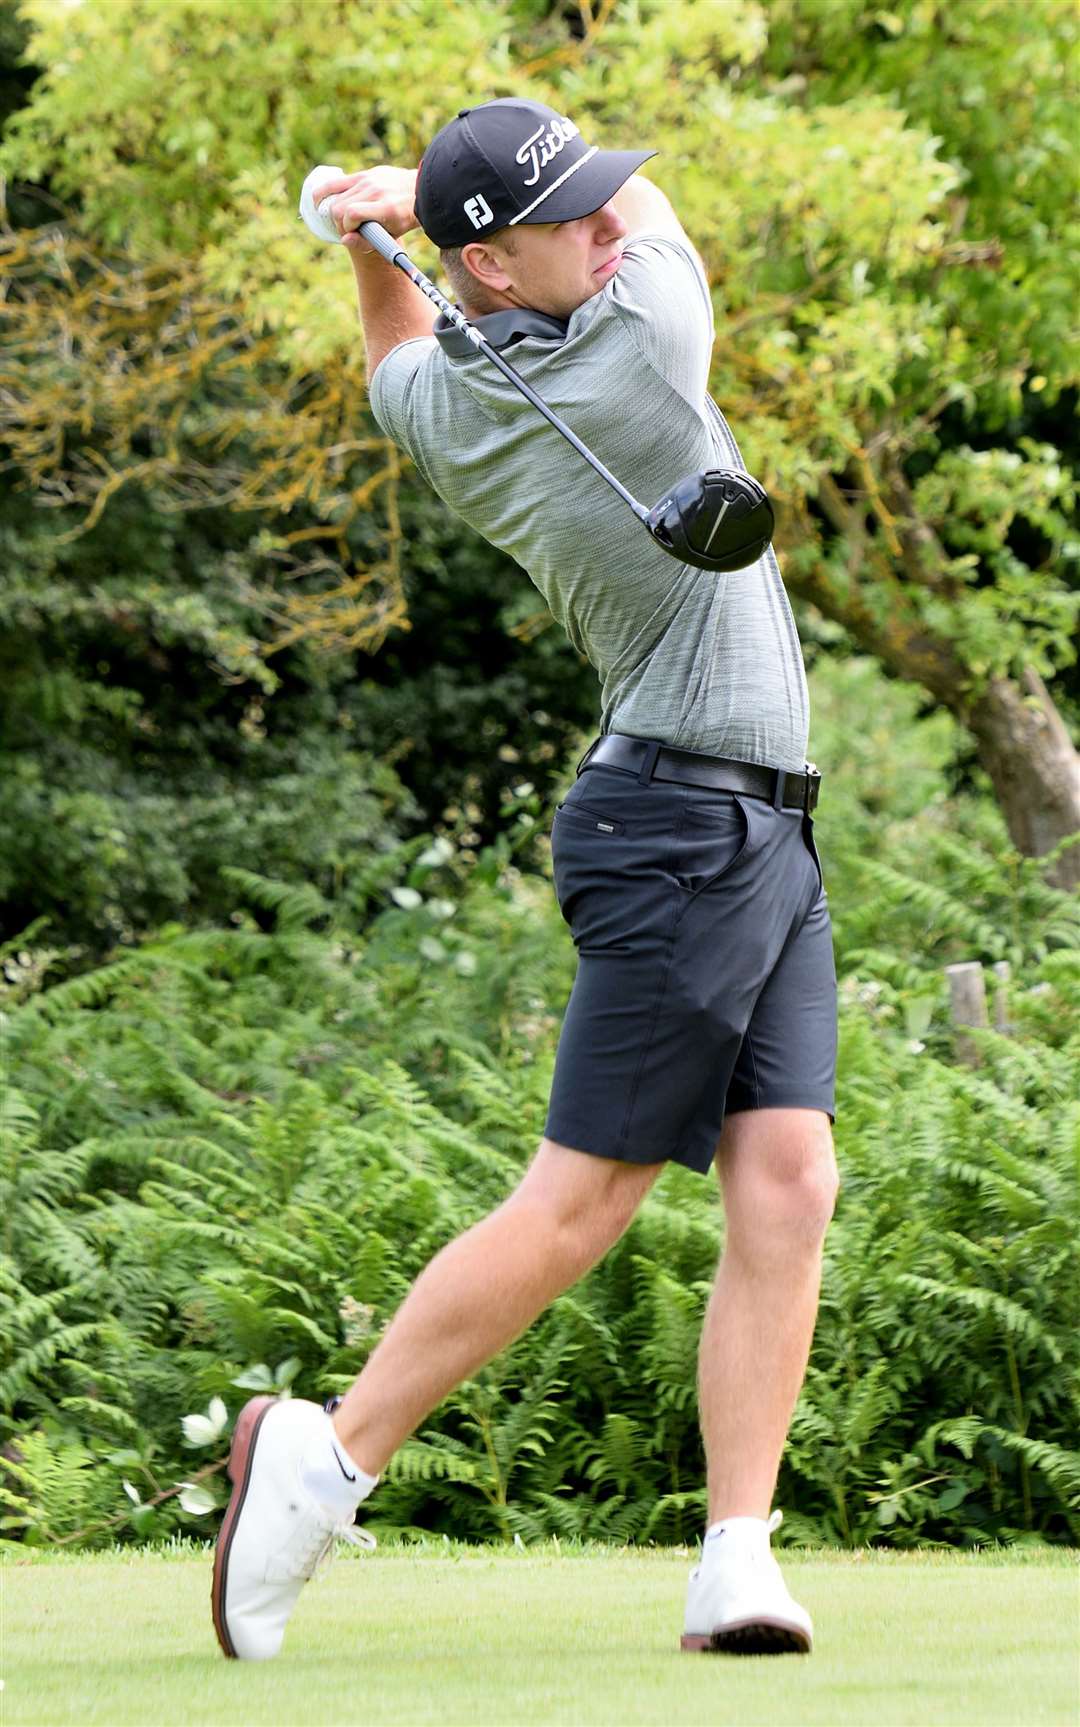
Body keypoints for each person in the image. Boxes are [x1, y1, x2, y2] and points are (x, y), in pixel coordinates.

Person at [212, 97, 839, 1663]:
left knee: (787, 1178)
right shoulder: (640, 358)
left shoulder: (455, 405)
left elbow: (388, 367)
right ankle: (326, 1457)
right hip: (684, 826)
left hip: (751, 826)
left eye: (605, 207)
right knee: (585, 1201)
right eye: (580, 218)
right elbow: (668, 222)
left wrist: (371, 235)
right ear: (491, 266)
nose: (616, 228)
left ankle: (736, 1560)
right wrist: (403, 208)